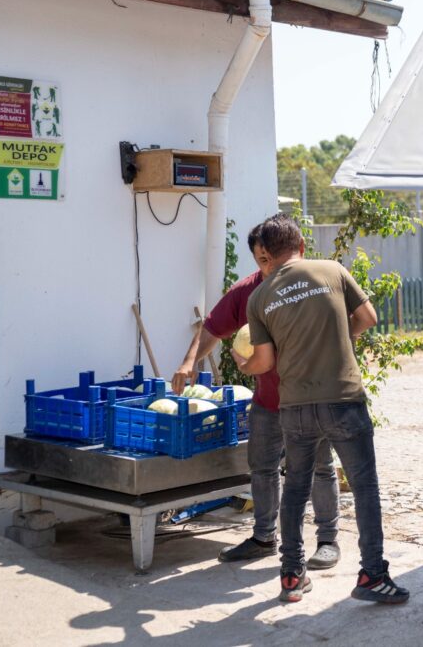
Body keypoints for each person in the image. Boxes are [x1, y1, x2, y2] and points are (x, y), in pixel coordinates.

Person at [237, 213, 409, 605]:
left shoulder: (259, 297)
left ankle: (292, 576)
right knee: (364, 487)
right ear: (300, 246)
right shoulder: (331, 270)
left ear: (267, 253)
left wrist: (246, 365)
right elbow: (368, 318)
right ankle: (372, 576)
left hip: (294, 406)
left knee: (295, 487)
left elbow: (263, 362)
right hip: (343, 400)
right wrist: (335, 333)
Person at [171, 223, 341, 571]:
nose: (269, 268)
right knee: (262, 469)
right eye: (261, 260)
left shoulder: (314, 284)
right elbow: (212, 328)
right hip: (268, 401)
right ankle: (264, 537)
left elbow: (353, 320)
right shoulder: (249, 291)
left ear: (298, 251)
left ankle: (328, 540)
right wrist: (189, 361)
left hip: (312, 399)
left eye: (273, 260)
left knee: (320, 468)